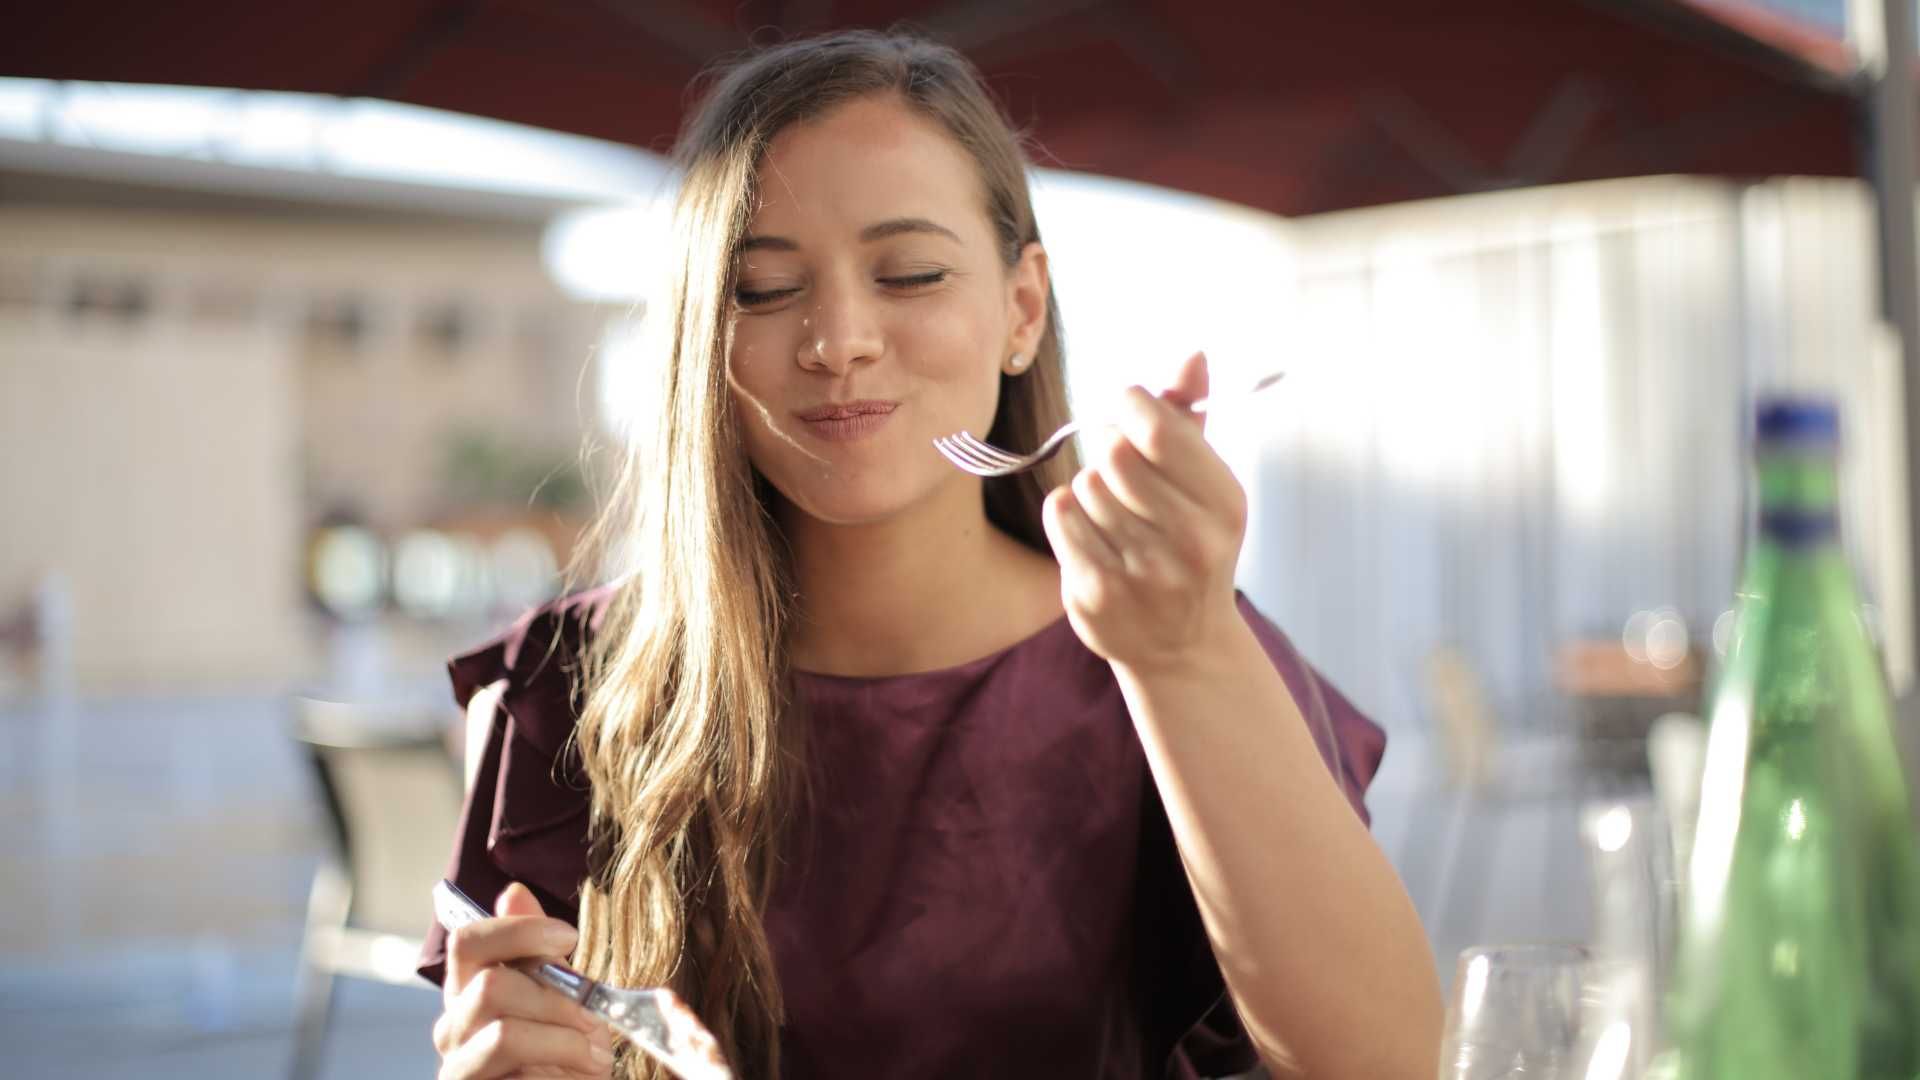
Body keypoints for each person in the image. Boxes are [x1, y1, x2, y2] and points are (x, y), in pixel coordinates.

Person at [420, 28, 1441, 1080]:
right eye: (764, 289)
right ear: (699, 344)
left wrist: (1184, 656)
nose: (839, 339)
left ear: (1022, 310)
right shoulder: (571, 687)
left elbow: (1383, 1063)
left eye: (908, 273)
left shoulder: (1171, 655)